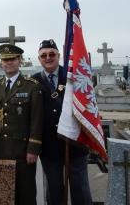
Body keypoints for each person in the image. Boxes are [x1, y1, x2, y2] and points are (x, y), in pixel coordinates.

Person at [32, 39, 92, 205]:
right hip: (49, 146)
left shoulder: (73, 76)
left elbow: (86, 106)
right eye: (44, 55)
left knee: (80, 188)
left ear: (59, 56)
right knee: (54, 190)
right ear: (39, 59)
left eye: (52, 54)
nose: (48, 58)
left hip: (75, 143)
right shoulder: (33, 81)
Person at [0, 44, 43, 205]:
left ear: (20, 61)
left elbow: (37, 119)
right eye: (5, 60)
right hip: (1, 149)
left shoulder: (31, 85)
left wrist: (33, 149)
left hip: (23, 151)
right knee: (4, 193)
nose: (9, 63)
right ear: (1, 62)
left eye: (12, 59)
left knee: (25, 194)